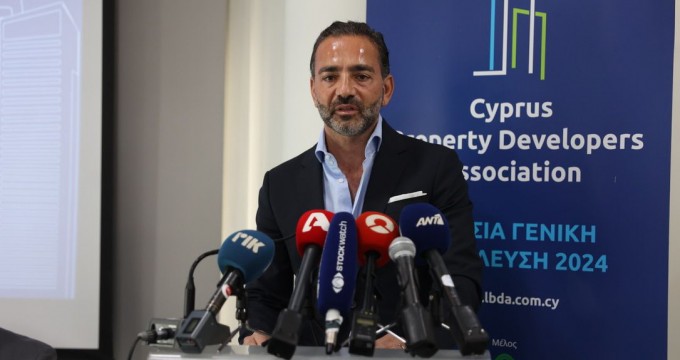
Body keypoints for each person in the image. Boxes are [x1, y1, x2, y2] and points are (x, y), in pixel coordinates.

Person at [241, 21, 482, 349]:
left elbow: (460, 280)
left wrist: (405, 339)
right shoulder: (279, 184)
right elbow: (266, 293)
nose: (344, 90)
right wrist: (262, 333)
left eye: (361, 75)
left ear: (387, 88)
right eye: (330, 77)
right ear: (313, 89)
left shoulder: (436, 167)